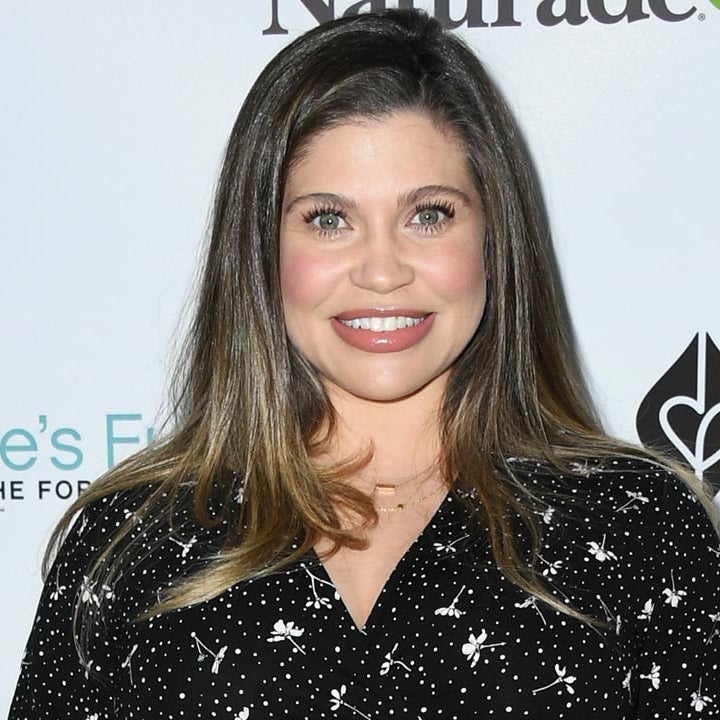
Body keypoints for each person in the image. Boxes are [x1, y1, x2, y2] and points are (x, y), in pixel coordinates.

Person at [9, 8, 720, 719]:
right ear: (260, 249)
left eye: (429, 214)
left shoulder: (640, 525)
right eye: (328, 219)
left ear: (495, 237)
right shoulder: (132, 536)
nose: (382, 271)